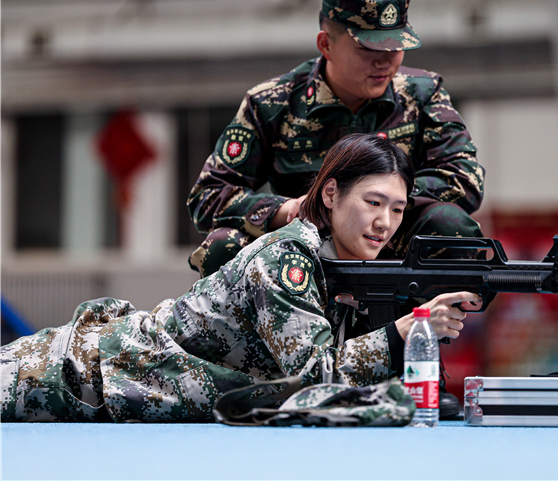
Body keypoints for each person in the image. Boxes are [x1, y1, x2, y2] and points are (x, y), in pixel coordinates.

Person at [1, 134, 482, 423]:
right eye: (373, 203)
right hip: (73, 375)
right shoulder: (287, 259)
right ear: (331, 194)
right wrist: (404, 332)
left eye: (397, 210)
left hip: (111, 382)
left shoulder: (336, 265)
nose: (385, 222)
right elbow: (315, 377)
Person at [186, 0, 485, 279]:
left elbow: (464, 179)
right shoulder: (272, 103)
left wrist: (382, 201)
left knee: (450, 226)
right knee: (223, 245)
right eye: (369, 47)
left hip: (392, 244)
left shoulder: (422, 95)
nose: (386, 61)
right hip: (305, 248)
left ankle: (425, 325)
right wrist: (286, 211)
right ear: (326, 44)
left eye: (397, 46)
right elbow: (207, 197)